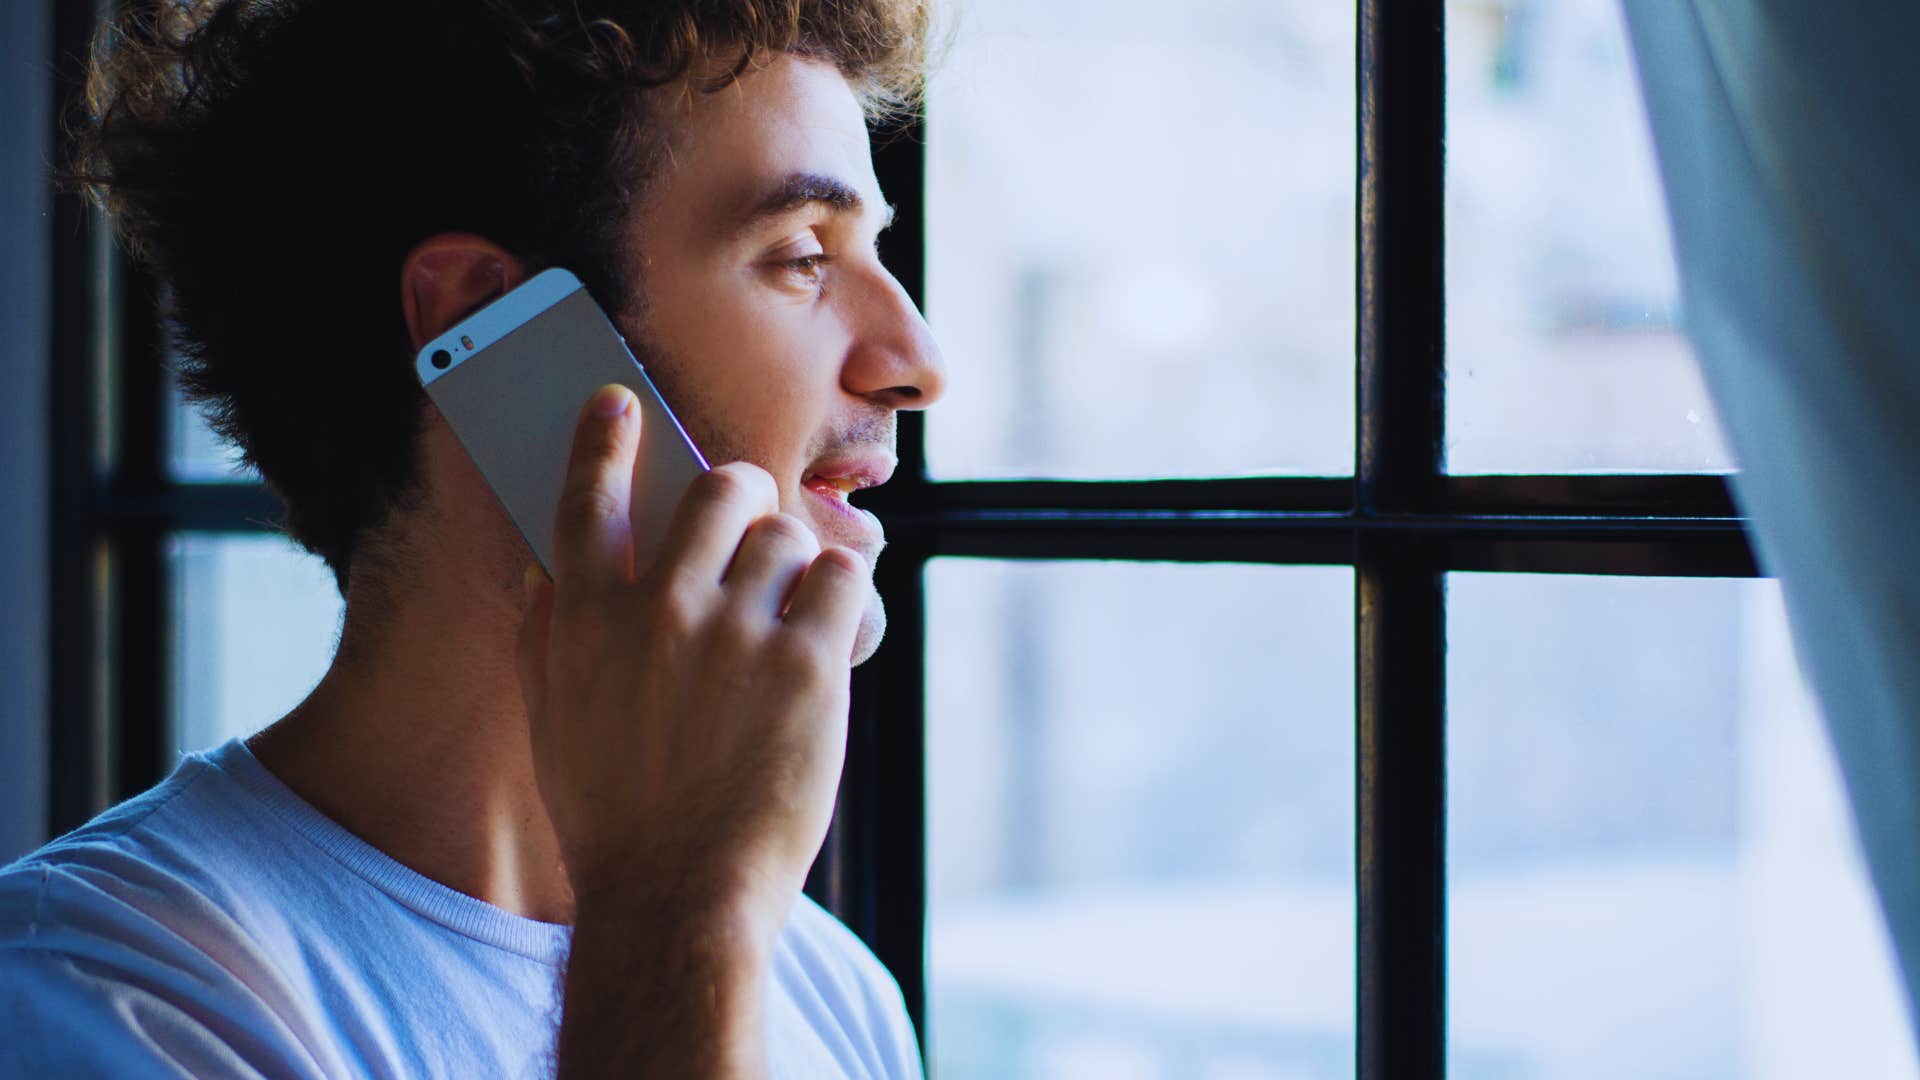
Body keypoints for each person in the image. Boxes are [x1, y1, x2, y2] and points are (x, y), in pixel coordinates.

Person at [0, 0, 946, 1075]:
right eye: (801, 256)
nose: (916, 359)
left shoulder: (833, 994)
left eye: (877, 248)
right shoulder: (103, 999)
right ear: (484, 324)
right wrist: (677, 913)